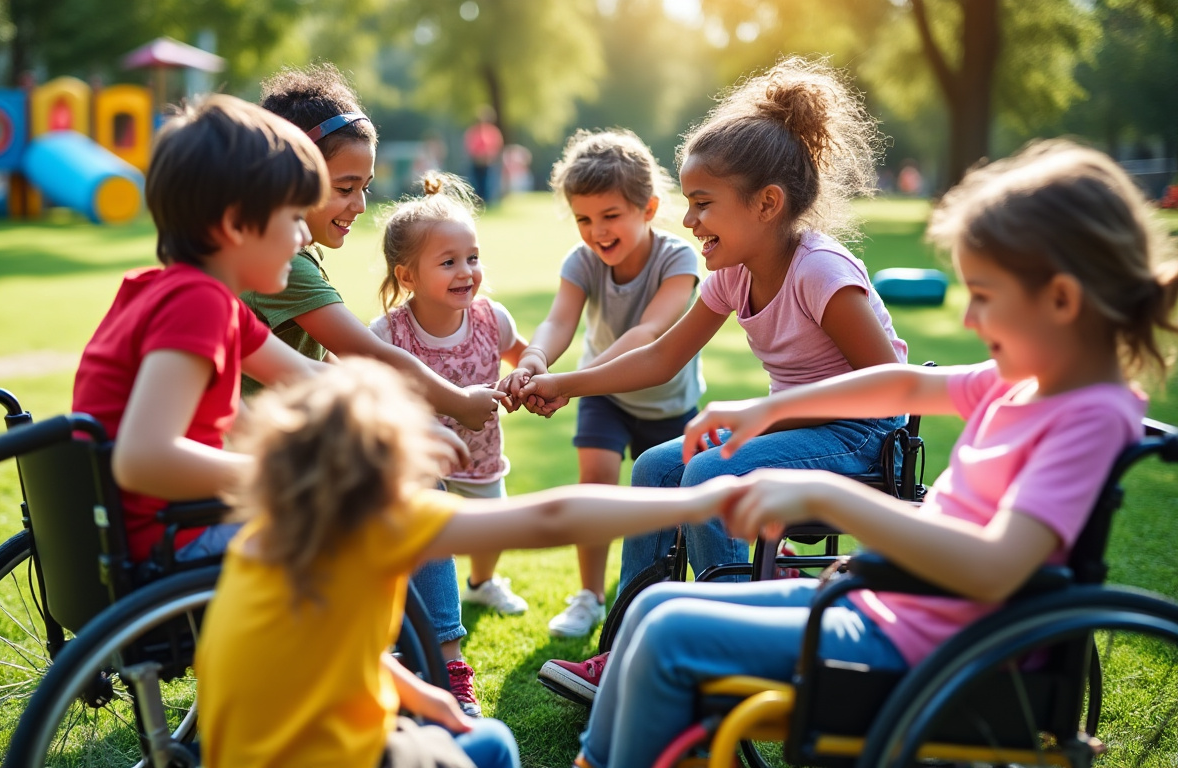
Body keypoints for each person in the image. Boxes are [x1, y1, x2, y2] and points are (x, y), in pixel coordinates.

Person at [569, 137, 1176, 768]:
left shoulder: (1087, 416)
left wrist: (830, 494)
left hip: (931, 645)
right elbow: (905, 382)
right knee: (658, 607)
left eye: (985, 296)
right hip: (891, 610)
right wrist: (766, 409)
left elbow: (997, 568)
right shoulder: (1022, 380)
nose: (969, 321)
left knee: (668, 633)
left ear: (1061, 299)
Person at [518, 58, 908, 701]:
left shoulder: (820, 273)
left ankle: (727, 654)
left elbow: (889, 387)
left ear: (767, 204)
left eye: (702, 204)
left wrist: (764, 414)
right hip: (794, 422)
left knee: (708, 471)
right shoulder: (732, 270)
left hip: (863, 431)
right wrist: (565, 384)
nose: (690, 221)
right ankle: (623, 650)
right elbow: (661, 357)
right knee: (653, 469)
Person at [195, 359, 747, 768]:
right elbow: (552, 517)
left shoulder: (260, 542)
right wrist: (701, 501)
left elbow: (330, 649)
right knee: (495, 745)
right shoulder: (383, 525)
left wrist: (423, 693)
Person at [244, 62, 504, 715]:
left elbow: (322, 367)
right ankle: (444, 665)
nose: (360, 205)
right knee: (417, 485)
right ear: (291, 177)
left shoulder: (256, 251)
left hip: (270, 439)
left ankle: (393, 652)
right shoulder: (286, 268)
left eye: (364, 186)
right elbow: (368, 351)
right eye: (345, 187)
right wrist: (457, 402)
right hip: (262, 458)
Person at [70, 94, 328, 564]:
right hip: (172, 544)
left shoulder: (171, 293)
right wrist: (277, 472)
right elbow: (142, 458)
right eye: (294, 217)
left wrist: (407, 418)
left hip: (147, 535)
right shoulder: (198, 304)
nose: (305, 236)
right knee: (355, 531)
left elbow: (308, 377)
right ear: (234, 224)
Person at [498, 129, 704, 638]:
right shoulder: (582, 261)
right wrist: (535, 361)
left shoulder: (678, 259)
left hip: (668, 404)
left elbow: (648, 332)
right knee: (595, 482)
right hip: (603, 397)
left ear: (648, 208)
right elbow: (558, 322)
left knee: (665, 509)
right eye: (584, 219)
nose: (597, 232)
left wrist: (573, 382)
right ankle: (589, 595)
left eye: (611, 216)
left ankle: (657, 593)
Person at [370, 172, 532, 619]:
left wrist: (531, 377)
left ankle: (482, 582)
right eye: (448, 263)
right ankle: (418, 597)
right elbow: (360, 382)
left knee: (490, 529)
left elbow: (521, 354)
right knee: (422, 533)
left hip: (479, 453)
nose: (467, 272)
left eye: (472, 258)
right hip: (417, 461)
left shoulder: (490, 318)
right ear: (408, 276)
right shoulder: (389, 333)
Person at [464, 106, 504, 203]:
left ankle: (488, 200)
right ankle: (478, 200)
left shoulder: (493, 131)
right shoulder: (473, 131)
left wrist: (489, 156)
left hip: (489, 162)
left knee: (488, 183)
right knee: (476, 183)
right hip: (477, 162)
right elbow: (470, 146)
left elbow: (497, 146)